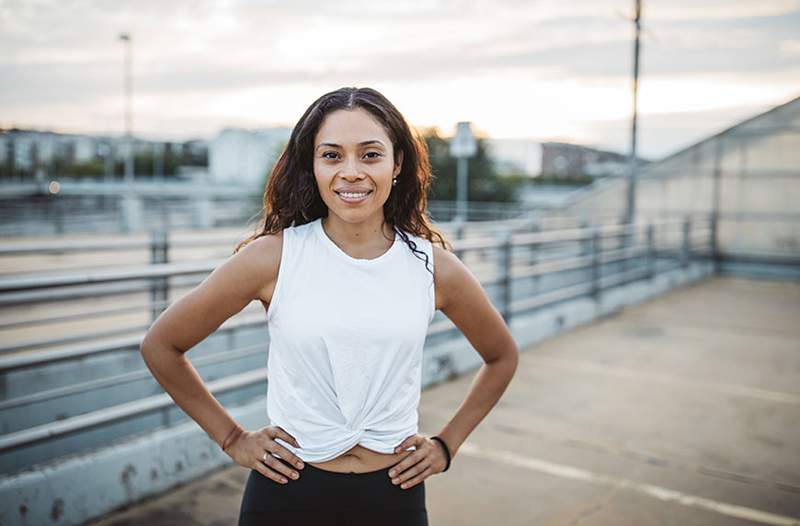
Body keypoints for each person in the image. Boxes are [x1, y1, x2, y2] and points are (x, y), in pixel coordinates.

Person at [139, 86, 519, 526]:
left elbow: (501, 356)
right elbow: (162, 345)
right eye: (333, 155)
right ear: (313, 166)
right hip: (286, 493)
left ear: (397, 164)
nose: (351, 172)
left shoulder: (434, 267)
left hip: (393, 496)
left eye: (371, 155)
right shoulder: (274, 257)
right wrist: (231, 437)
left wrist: (447, 445)